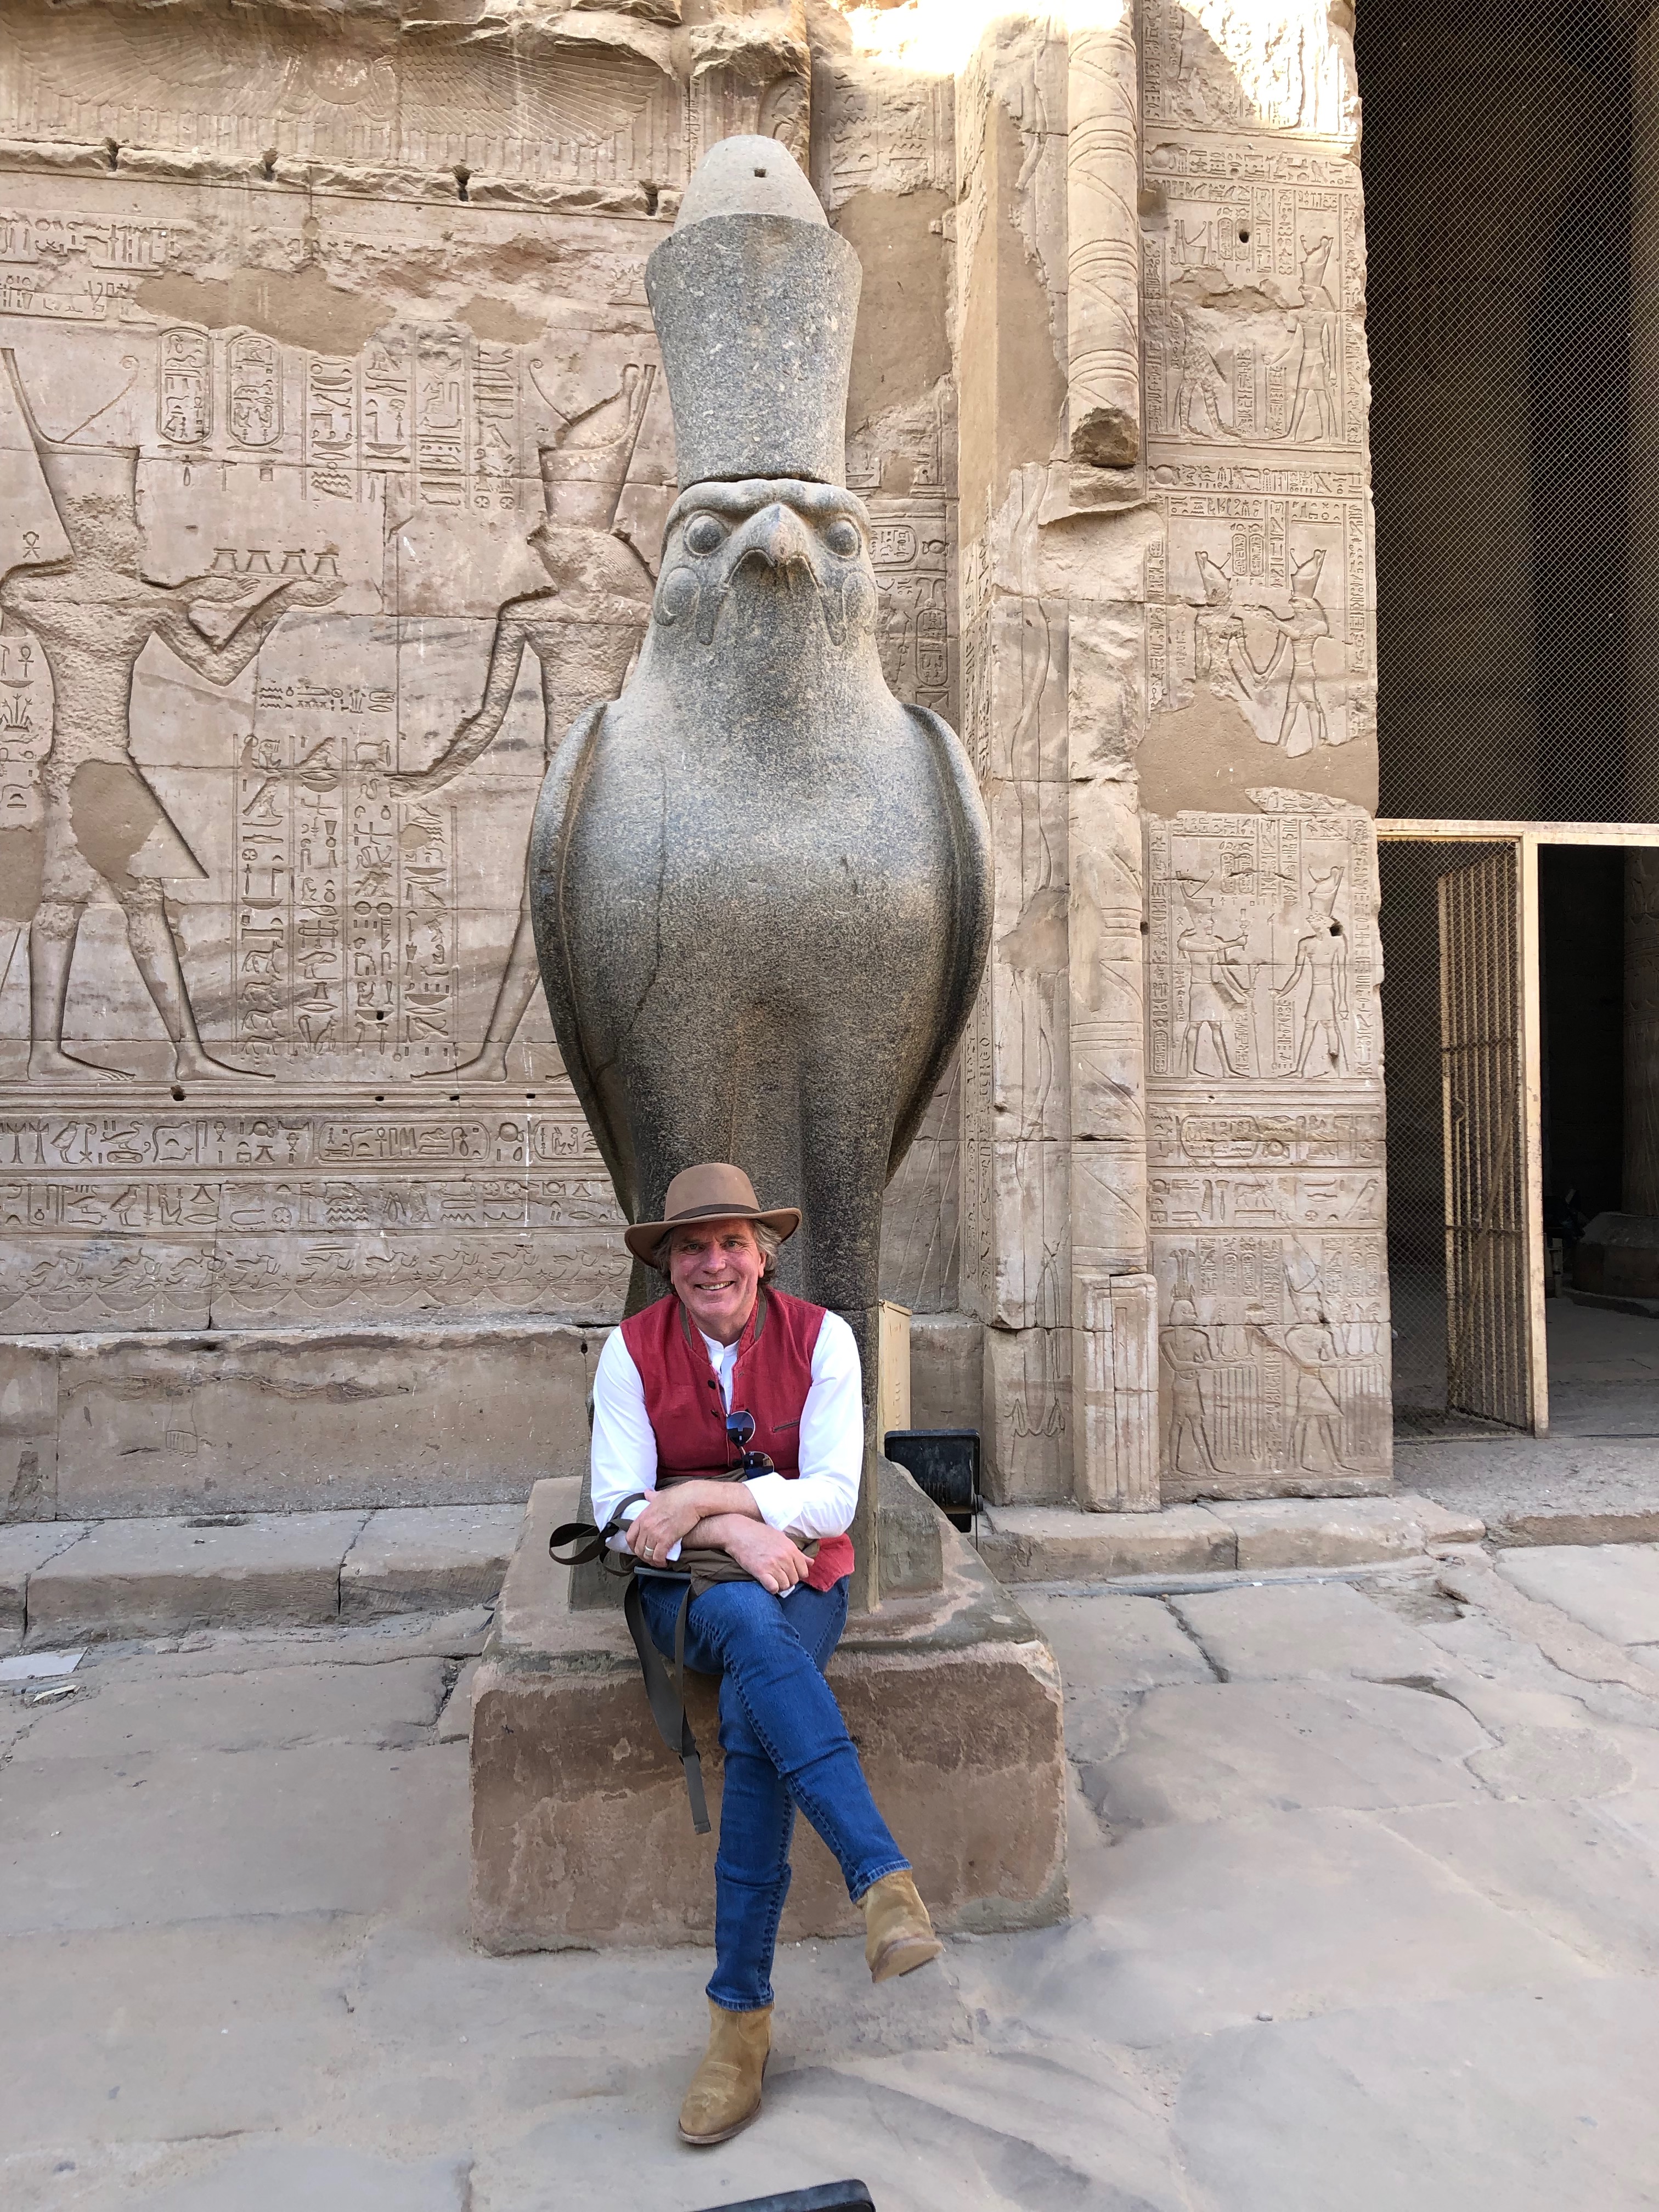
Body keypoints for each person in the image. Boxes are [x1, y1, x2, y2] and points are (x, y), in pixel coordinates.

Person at [589, 1160, 941, 2147]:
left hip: (803, 1574)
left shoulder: (825, 1338)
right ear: (667, 1266)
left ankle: (737, 2026)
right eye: (691, 1248)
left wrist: (703, 1502)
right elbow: (621, 1515)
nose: (713, 1264)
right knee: (743, 1625)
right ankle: (880, 1881)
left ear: (762, 1255)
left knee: (752, 1723)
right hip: (687, 1594)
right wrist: (735, 1536)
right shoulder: (629, 1353)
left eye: (731, 1244)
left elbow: (833, 1497)